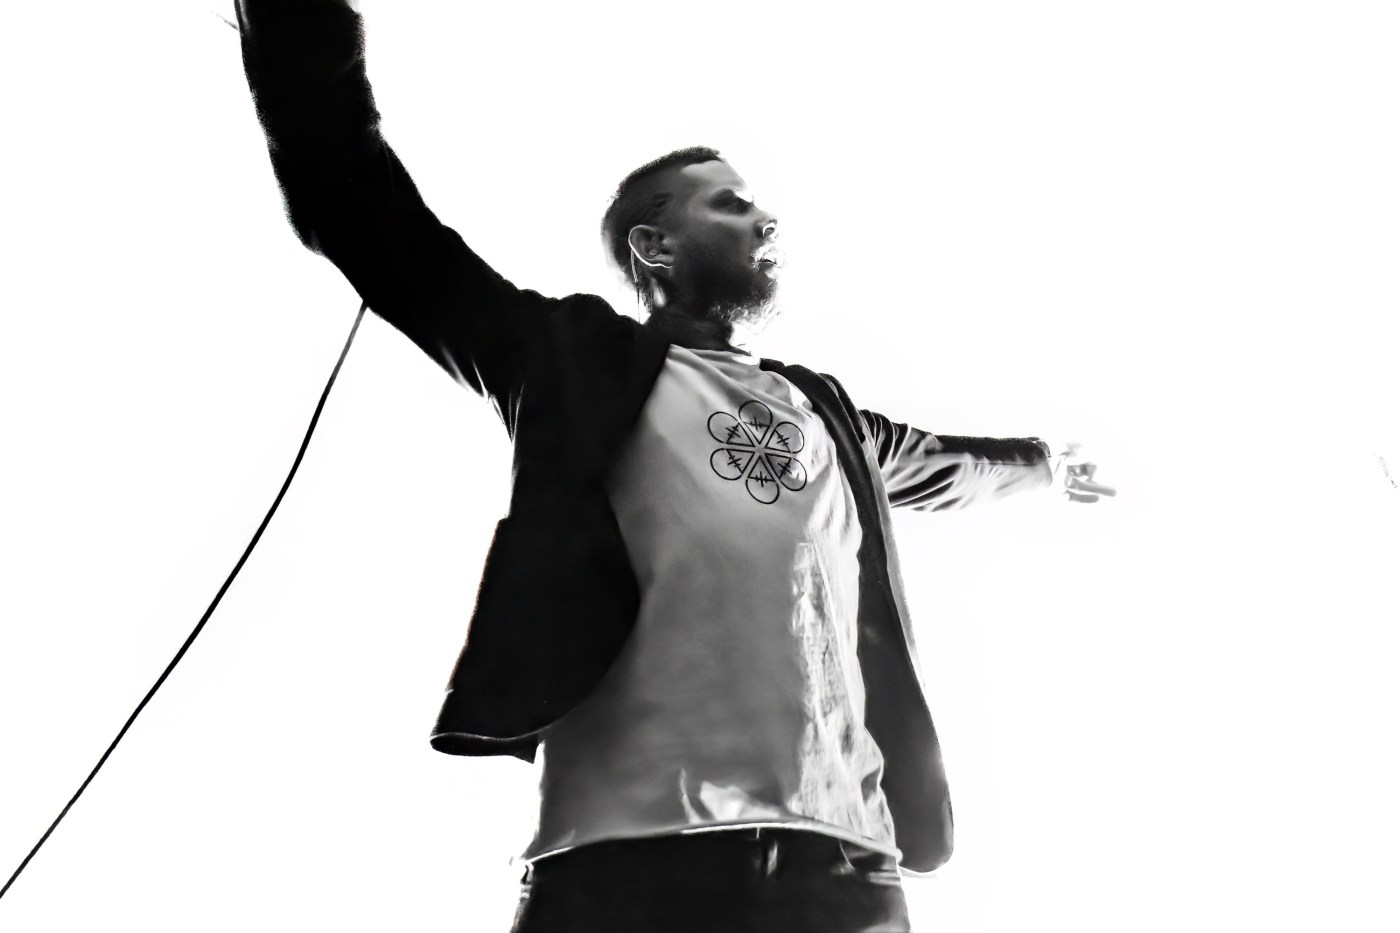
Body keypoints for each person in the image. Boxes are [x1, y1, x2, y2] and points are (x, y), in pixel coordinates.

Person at [235, 2, 1113, 930]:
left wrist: (1044, 465)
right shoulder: (569, 363)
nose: (764, 216)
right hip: (627, 862)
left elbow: (944, 466)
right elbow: (358, 206)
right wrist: (296, 21)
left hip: (843, 870)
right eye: (729, 203)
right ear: (655, 245)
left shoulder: (826, 418)